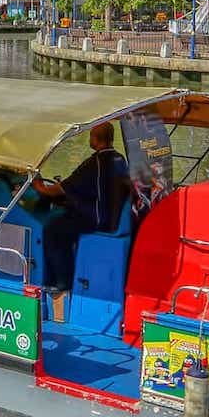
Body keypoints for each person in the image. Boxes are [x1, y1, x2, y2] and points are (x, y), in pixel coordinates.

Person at [32, 123, 129, 291]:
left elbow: (61, 188)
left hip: (98, 219)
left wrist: (39, 187)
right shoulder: (119, 159)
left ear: (96, 139)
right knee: (64, 220)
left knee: (52, 229)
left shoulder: (95, 162)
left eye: (91, 136)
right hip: (114, 216)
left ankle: (60, 282)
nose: (90, 139)